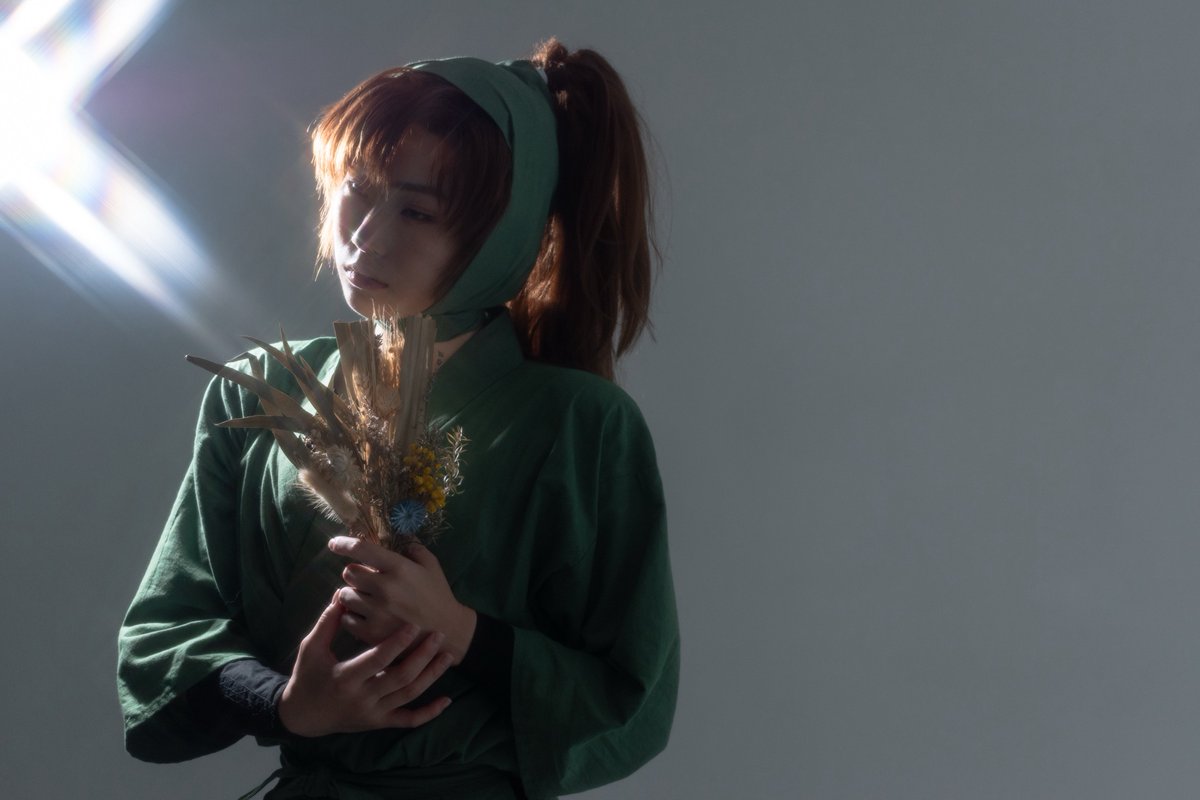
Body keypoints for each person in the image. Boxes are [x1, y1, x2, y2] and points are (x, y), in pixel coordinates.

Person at [117, 39, 679, 800]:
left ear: (500, 236)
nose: (365, 236)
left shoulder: (582, 424)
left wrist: (463, 632)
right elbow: (164, 632)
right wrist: (286, 704)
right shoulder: (259, 391)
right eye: (357, 190)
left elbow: (630, 698)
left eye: (417, 210)